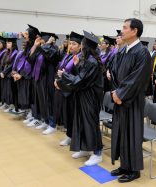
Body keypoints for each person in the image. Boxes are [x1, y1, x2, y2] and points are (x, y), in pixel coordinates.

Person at [110, 18, 151, 183]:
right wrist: (115, 92)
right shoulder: (123, 50)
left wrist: (121, 95)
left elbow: (137, 79)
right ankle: (124, 165)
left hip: (132, 101)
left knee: (132, 133)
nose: (122, 31)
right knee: (121, 133)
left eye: (125, 28)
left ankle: (134, 169)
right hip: (120, 98)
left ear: (134, 31)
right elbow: (113, 72)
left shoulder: (142, 52)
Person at [56, 30, 104, 166]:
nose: (80, 47)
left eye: (82, 45)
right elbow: (82, 76)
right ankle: (85, 148)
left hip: (90, 98)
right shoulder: (86, 59)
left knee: (90, 124)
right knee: (81, 122)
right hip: (82, 95)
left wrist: (63, 75)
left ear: (86, 47)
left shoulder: (92, 62)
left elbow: (80, 80)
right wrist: (77, 65)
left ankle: (97, 153)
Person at [54, 31, 83, 146]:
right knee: (67, 115)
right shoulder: (68, 56)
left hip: (74, 92)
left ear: (80, 46)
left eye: (74, 44)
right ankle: (69, 135)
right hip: (65, 90)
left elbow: (78, 76)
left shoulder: (81, 58)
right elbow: (60, 69)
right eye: (70, 43)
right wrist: (57, 80)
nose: (71, 46)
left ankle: (74, 138)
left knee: (73, 116)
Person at [0, 37, 19, 113]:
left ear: (13, 44)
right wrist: (3, 72)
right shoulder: (7, 52)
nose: (7, 44)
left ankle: (13, 106)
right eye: (7, 43)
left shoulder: (16, 53)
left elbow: (12, 65)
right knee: (7, 91)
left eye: (9, 43)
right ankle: (9, 104)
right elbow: (4, 63)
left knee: (12, 91)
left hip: (10, 75)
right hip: (6, 75)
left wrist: (4, 72)